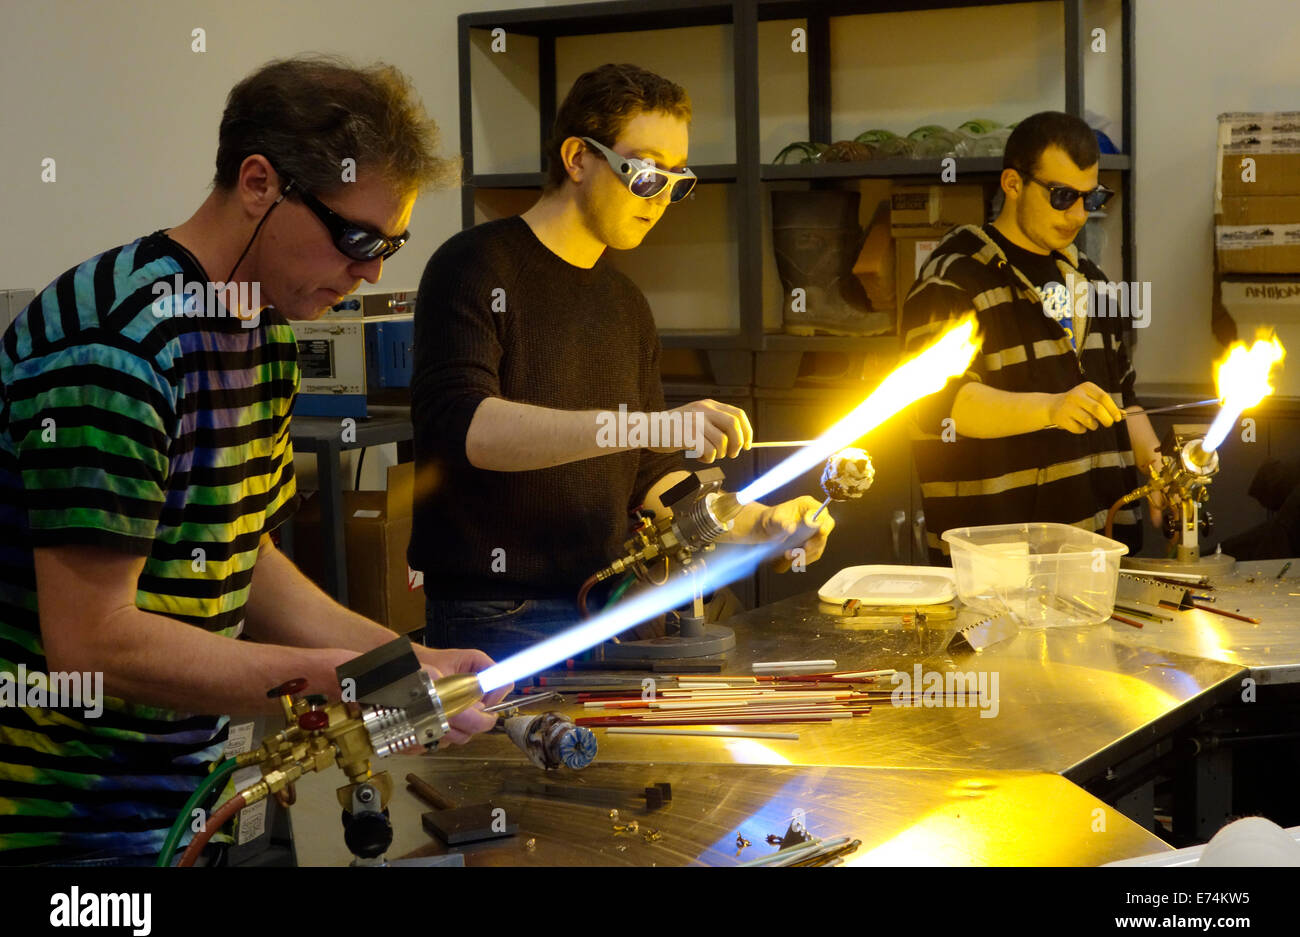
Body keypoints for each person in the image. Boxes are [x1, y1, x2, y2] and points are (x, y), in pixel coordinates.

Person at [0, 56, 505, 867]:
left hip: (198, 794)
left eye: (392, 243)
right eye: (356, 237)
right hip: (63, 822)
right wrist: (340, 681)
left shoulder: (265, 335)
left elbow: (247, 558)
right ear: (260, 182)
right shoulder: (114, 348)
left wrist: (399, 662)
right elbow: (94, 644)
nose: (373, 269)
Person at [410, 64, 834, 657]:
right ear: (578, 158)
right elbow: (469, 429)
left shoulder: (624, 302)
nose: (660, 198)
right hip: (499, 615)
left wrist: (755, 521)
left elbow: (649, 474)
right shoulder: (474, 267)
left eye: (675, 179)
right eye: (643, 172)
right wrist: (652, 423)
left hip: (606, 602)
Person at [900, 111, 1162, 560]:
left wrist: (1159, 468)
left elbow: (1124, 399)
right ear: (1013, 183)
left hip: (1097, 559)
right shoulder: (955, 279)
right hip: (997, 568)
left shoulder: (1093, 284)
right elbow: (942, 406)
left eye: (1090, 197)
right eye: (1062, 196)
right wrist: (1052, 407)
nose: (1079, 215)